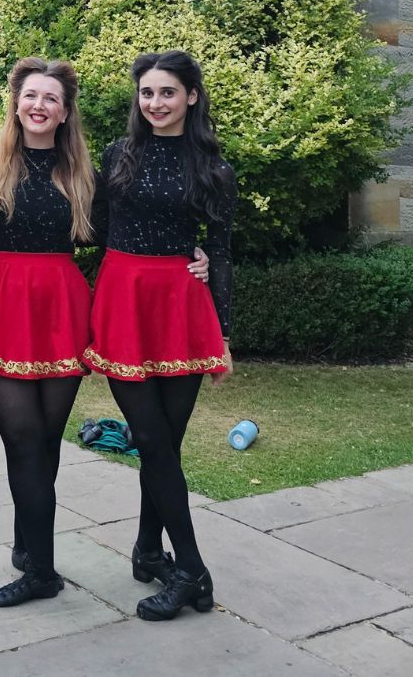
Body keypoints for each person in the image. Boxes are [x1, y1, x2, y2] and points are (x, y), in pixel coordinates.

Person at [84, 50, 235, 622]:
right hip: (125, 296)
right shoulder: (118, 154)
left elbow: (220, 254)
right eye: (146, 94)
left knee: (164, 442)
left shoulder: (214, 169)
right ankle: (192, 568)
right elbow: (95, 225)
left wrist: (222, 332)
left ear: (191, 97)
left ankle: (151, 550)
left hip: (181, 307)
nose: (155, 103)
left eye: (166, 93)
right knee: (151, 439)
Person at [0, 57, 100, 608]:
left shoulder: (83, 174)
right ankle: (38, 561)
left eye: (51, 100)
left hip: (59, 304)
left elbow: (117, 230)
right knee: (21, 438)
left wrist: (198, 254)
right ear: (15, 103)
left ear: (65, 113)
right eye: (30, 96)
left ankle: (33, 555)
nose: (38, 106)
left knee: (45, 440)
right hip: (1, 299)